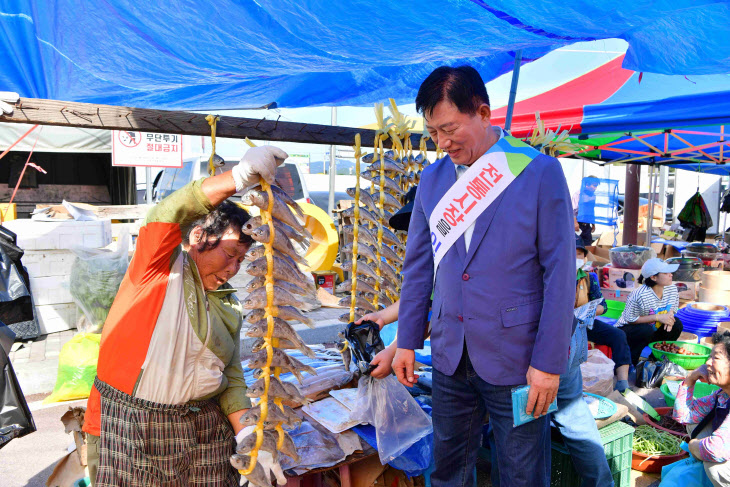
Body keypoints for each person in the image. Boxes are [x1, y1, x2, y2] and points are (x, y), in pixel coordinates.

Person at [395, 65, 575, 487]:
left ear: (483, 112)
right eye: (433, 133)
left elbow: (560, 273)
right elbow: (419, 266)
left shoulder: (537, 172)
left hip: (518, 359)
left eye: (450, 128)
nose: (442, 142)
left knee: (522, 473)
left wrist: (548, 364)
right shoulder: (433, 177)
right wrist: (407, 340)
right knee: (447, 471)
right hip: (449, 355)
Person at [83, 145, 288, 486]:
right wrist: (235, 178)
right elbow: (165, 213)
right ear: (198, 236)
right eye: (230, 253)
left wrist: (250, 437)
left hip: (203, 433)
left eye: (242, 259)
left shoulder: (229, 304)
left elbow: (231, 377)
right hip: (133, 429)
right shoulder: (159, 270)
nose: (234, 267)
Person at [673, 331, 730, 486]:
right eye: (709, 356)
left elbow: (715, 450)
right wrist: (690, 379)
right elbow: (684, 415)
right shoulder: (723, 395)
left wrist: (693, 445)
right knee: (696, 424)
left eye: (716, 358)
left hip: (721, 450)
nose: (708, 362)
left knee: (715, 467)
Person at [576, 237, 632, 392]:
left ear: (585, 258)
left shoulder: (589, 278)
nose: (576, 258)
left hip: (584, 322)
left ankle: (623, 383)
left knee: (618, 335)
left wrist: (588, 311)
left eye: (580, 254)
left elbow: (603, 306)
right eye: (572, 254)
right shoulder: (555, 277)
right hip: (561, 327)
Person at [615, 258, 684, 364]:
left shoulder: (672, 289)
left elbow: (673, 308)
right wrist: (658, 317)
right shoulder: (639, 295)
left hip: (653, 329)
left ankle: (656, 359)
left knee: (676, 324)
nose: (671, 275)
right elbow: (630, 319)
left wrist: (670, 317)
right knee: (645, 330)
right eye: (666, 273)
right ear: (653, 277)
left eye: (670, 272)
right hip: (628, 331)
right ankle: (630, 362)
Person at [572, 176, 600, 247]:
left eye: (596, 186)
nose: (595, 188)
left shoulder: (593, 195)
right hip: (578, 224)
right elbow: (572, 211)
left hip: (587, 225)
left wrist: (593, 224)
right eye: (594, 185)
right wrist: (575, 223)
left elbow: (591, 209)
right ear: (587, 184)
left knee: (587, 246)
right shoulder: (578, 194)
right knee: (578, 246)